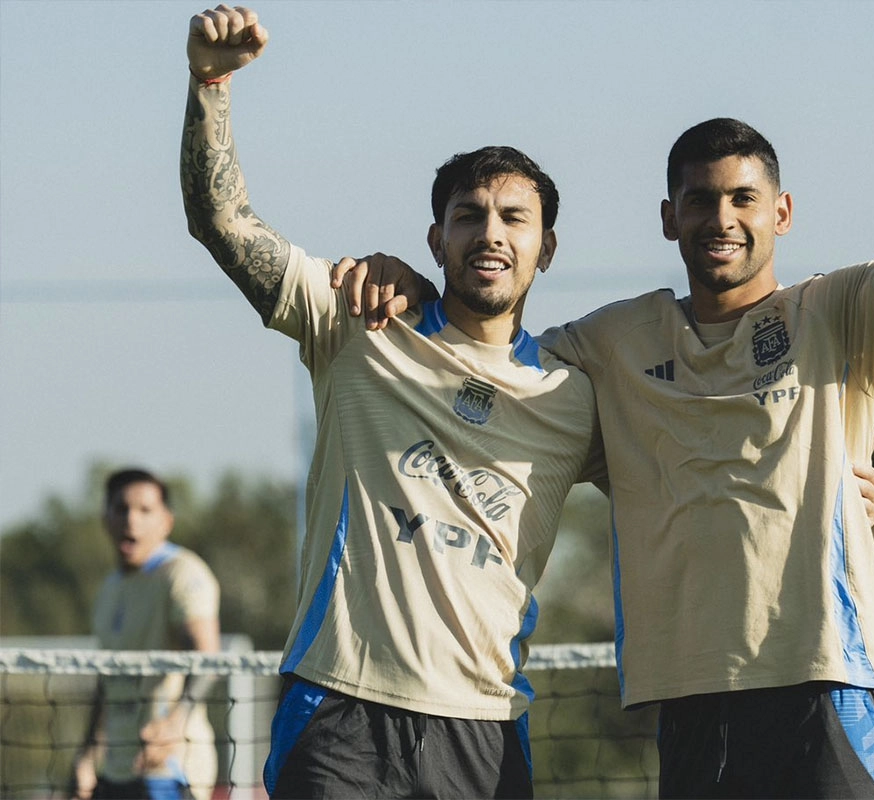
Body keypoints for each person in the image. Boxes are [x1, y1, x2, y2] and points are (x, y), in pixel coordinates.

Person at [337, 16, 874, 799]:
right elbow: (489, 362)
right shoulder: (610, 344)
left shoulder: (840, 311)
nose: (721, 219)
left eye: (743, 199)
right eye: (700, 200)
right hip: (688, 704)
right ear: (670, 217)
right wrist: (413, 285)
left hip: (824, 686)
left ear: (782, 212)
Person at [180, 5, 608, 798]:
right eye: (468, 216)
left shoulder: (574, 395)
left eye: (514, 218)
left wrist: (842, 470)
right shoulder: (356, 319)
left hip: (483, 728)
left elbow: (685, 477)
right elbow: (222, 223)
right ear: (436, 240)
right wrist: (211, 81)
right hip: (339, 711)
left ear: (545, 248)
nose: (491, 233)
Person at [72, 469, 221, 800]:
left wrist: (175, 723)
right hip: (117, 770)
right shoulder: (109, 588)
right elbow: (106, 681)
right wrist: (86, 755)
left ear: (166, 521)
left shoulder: (183, 573)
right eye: (121, 508)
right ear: (106, 519)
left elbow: (207, 659)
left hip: (169, 767)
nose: (131, 520)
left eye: (145, 510)